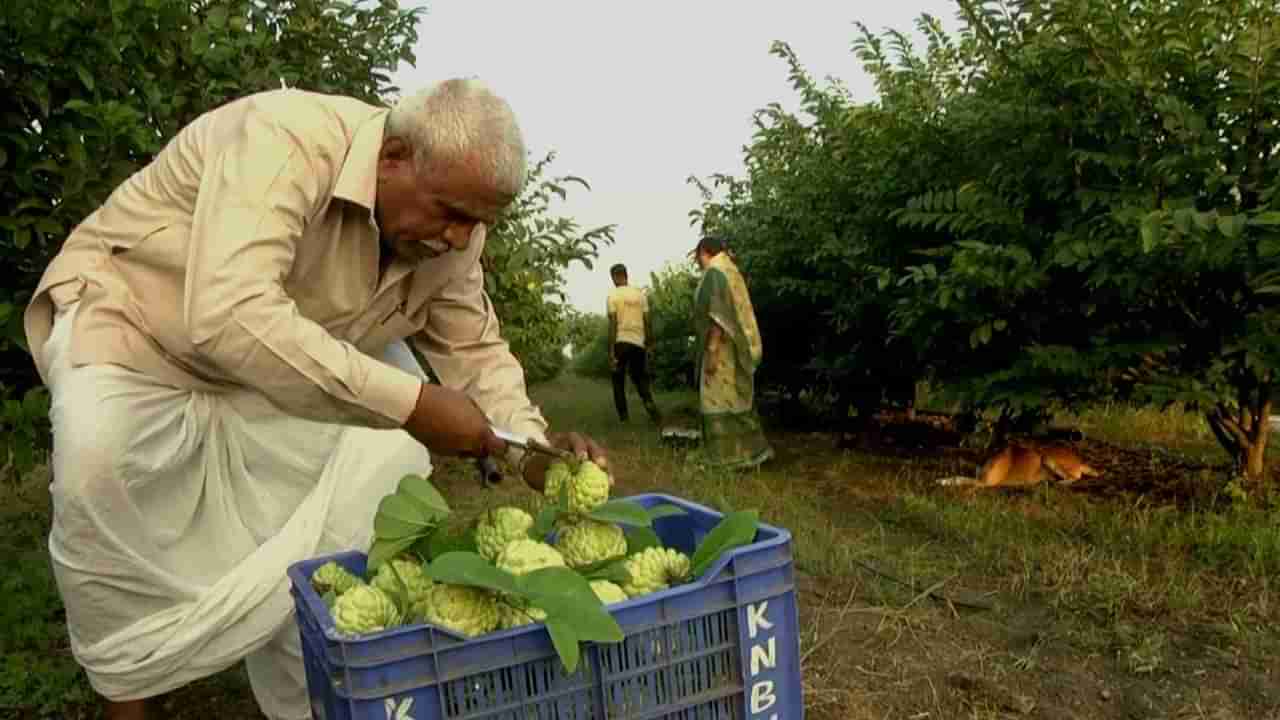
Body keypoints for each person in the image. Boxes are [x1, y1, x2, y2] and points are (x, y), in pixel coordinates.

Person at [22, 79, 608, 720]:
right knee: (98, 466)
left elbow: (474, 351)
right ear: (394, 157)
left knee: (382, 467)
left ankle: (307, 689)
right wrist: (412, 405)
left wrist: (532, 446)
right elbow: (228, 315)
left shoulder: (454, 238)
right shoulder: (286, 139)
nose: (460, 238)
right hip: (136, 321)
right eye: (450, 212)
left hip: (273, 368)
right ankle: (127, 690)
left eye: (479, 223)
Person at [691, 236, 773, 469]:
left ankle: (724, 458)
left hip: (722, 349)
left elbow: (717, 316)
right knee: (737, 400)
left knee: (716, 402)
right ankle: (752, 453)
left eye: (697, 256)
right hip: (737, 348)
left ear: (703, 252)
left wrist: (713, 351)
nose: (697, 262)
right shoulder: (731, 270)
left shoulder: (715, 273)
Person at [606, 263, 661, 424]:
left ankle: (624, 419)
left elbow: (613, 323)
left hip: (621, 342)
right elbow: (647, 321)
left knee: (618, 381)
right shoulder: (640, 295)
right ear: (626, 275)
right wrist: (649, 344)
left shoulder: (613, 296)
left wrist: (611, 351)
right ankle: (653, 411)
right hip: (639, 343)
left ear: (615, 277)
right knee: (640, 380)